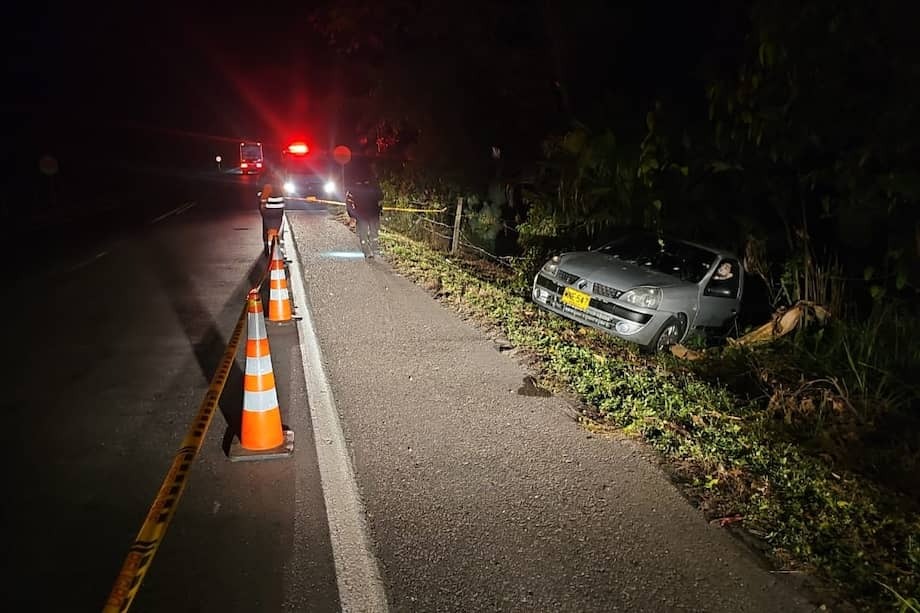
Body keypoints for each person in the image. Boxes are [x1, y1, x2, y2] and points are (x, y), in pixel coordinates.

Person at [345, 168, 383, 258]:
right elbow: (381, 197)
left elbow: (349, 202)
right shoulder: (373, 185)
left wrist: (352, 214)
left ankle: (369, 251)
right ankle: (372, 250)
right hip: (371, 214)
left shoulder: (354, 187)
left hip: (363, 214)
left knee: (365, 234)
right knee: (371, 233)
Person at [258, 180, 285, 256]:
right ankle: (276, 245)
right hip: (278, 212)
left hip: (269, 212)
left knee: (266, 229)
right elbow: (284, 199)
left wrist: (262, 212)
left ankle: (266, 246)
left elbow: (263, 202)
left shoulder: (267, 187)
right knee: (278, 229)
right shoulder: (281, 187)